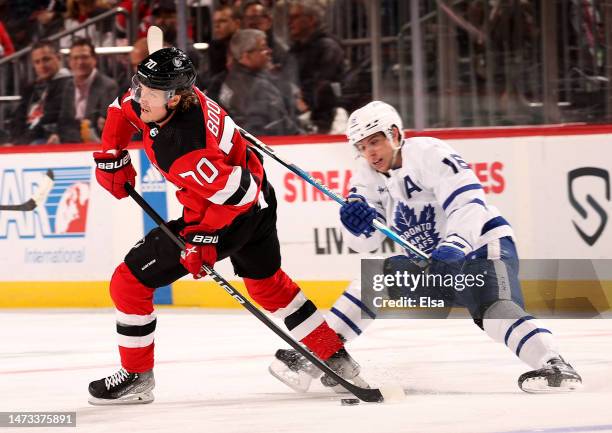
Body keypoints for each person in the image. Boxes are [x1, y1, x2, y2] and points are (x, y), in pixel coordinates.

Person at [87, 46, 360, 405]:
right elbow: (119, 109)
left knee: (128, 282)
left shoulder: (185, 147)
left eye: (150, 93)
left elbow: (238, 196)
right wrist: (111, 155)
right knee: (268, 287)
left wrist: (203, 241)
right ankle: (334, 359)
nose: (140, 99)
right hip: (260, 200)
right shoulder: (169, 99)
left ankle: (137, 375)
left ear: (176, 99)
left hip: (234, 211)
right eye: (140, 87)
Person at [269, 101, 583, 394]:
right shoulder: (366, 176)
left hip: (481, 246)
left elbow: (469, 203)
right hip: (432, 264)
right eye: (362, 147)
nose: (370, 153)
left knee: (493, 308)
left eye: (374, 142)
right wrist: (355, 224)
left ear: (394, 134)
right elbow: (366, 242)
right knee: (375, 279)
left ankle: (555, 365)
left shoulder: (431, 155)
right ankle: (320, 353)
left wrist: (455, 245)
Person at [219, 29, 300, 136]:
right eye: (263, 48)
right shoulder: (260, 87)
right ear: (246, 56)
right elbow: (278, 127)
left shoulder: (230, 80)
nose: (269, 51)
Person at [9, 40, 80, 145]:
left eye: (46, 59)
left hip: (47, 138)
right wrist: (14, 141)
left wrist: (21, 142)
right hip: (26, 138)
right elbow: (18, 117)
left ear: (59, 58)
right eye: (37, 62)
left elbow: (50, 118)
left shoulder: (67, 84)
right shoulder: (31, 87)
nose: (42, 65)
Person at [68, 37, 118, 142]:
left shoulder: (108, 86)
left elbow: (104, 121)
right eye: (75, 58)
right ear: (69, 61)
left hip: (96, 144)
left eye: (84, 57)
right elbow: (64, 122)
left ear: (94, 59)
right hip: (70, 143)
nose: (80, 62)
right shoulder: (67, 85)